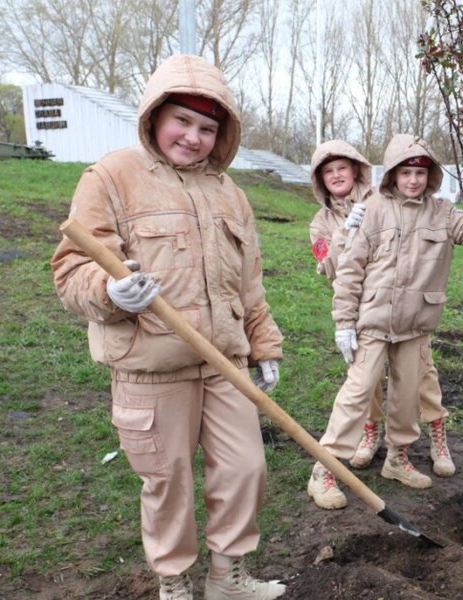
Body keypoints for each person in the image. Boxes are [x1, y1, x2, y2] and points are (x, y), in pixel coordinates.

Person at [51, 55, 286, 600]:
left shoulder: (231, 194)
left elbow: (249, 282)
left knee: (246, 470)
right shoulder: (111, 177)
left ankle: (228, 579)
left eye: (208, 128)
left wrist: (264, 344)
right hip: (150, 366)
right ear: (155, 115)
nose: (194, 137)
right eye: (182, 120)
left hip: (224, 361)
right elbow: (70, 270)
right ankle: (174, 583)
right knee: (167, 484)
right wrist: (109, 293)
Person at [307, 134, 463, 507]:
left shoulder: (443, 213)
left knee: (406, 398)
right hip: (374, 319)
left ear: (430, 175)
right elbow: (346, 270)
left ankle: (397, 459)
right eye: (405, 172)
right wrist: (344, 322)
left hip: (416, 323)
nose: (413, 180)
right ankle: (325, 469)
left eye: (420, 172)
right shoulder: (373, 210)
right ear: (392, 175)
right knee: (358, 393)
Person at [306, 141, 454, 513]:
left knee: (415, 386)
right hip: (365, 314)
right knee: (361, 389)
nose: (337, 175)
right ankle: (337, 460)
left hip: (411, 316)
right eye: (329, 171)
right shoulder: (322, 223)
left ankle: (401, 454)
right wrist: (345, 235)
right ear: (321, 180)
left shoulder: (384, 197)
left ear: (358, 170)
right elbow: (336, 269)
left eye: (343, 167)